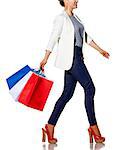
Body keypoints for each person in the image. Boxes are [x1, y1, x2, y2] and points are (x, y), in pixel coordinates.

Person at [40, 0, 110, 144]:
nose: (77, 0)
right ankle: (93, 127)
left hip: (78, 57)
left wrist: (100, 50)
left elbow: (85, 37)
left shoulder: (76, 18)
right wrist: (45, 58)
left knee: (67, 94)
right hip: (72, 59)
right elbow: (53, 38)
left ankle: (49, 126)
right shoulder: (61, 18)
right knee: (90, 88)